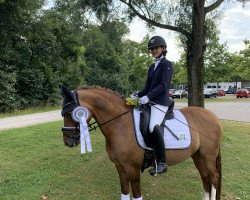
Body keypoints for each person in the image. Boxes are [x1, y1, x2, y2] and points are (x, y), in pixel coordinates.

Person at [137, 35, 173, 175]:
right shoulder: (152, 66)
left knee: (152, 126)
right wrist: (138, 95)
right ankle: (147, 155)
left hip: (161, 103)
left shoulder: (167, 64)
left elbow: (163, 86)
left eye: (156, 48)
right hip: (150, 102)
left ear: (163, 48)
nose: (153, 51)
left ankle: (163, 162)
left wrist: (148, 97)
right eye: (151, 49)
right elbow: (148, 87)